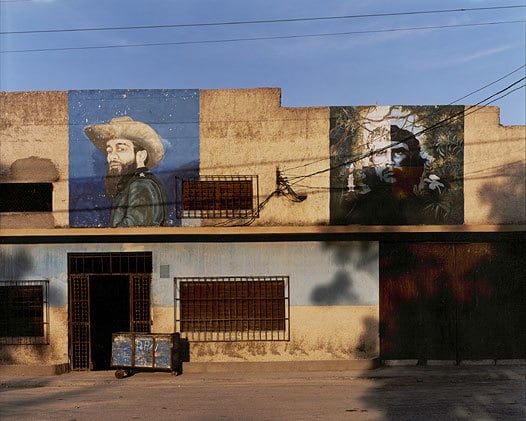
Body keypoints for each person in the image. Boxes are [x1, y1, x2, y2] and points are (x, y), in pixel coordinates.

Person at [84, 116, 167, 227]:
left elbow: (131, 231)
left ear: (141, 156)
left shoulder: (141, 185)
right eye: (109, 151)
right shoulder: (129, 185)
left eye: (121, 149)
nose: (112, 156)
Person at [346, 125, 427, 224]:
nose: (389, 161)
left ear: (410, 159)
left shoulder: (424, 208)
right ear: (372, 160)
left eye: (398, 152)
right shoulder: (358, 210)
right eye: (381, 153)